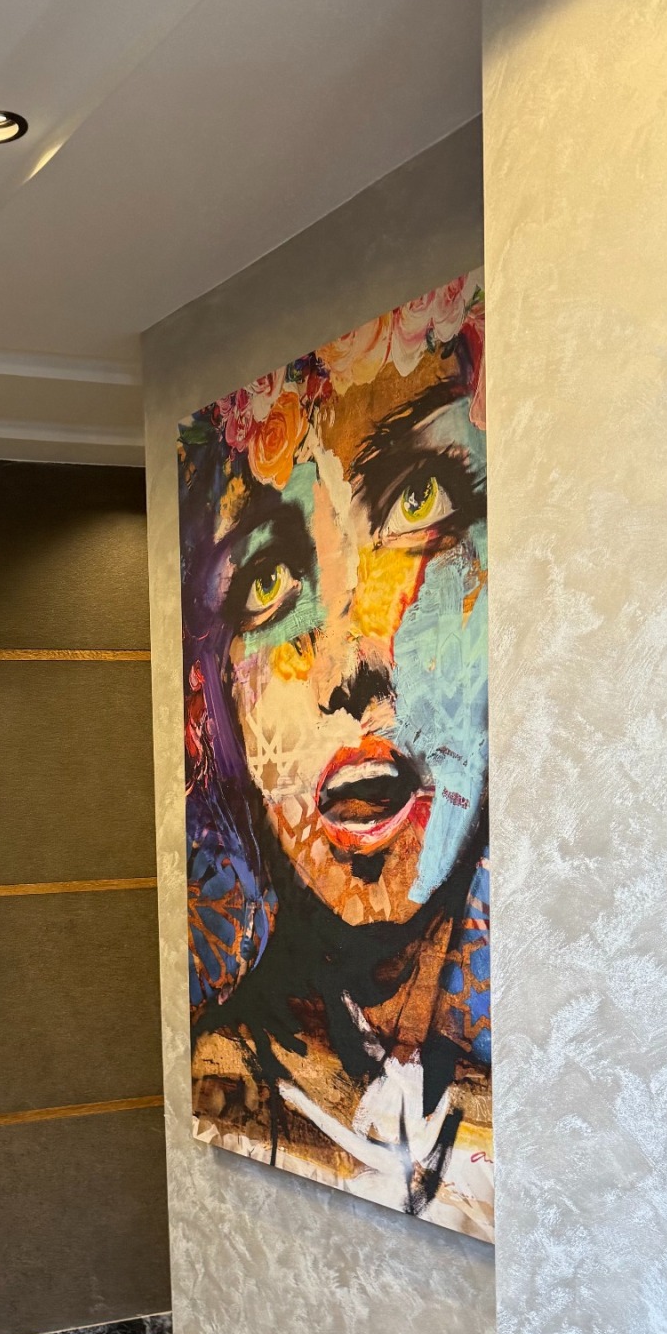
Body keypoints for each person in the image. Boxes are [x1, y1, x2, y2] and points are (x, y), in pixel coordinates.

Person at [177, 274, 492, 1240]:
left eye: (419, 499)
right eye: (269, 579)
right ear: (216, 705)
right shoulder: (229, 1083)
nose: (352, 665)